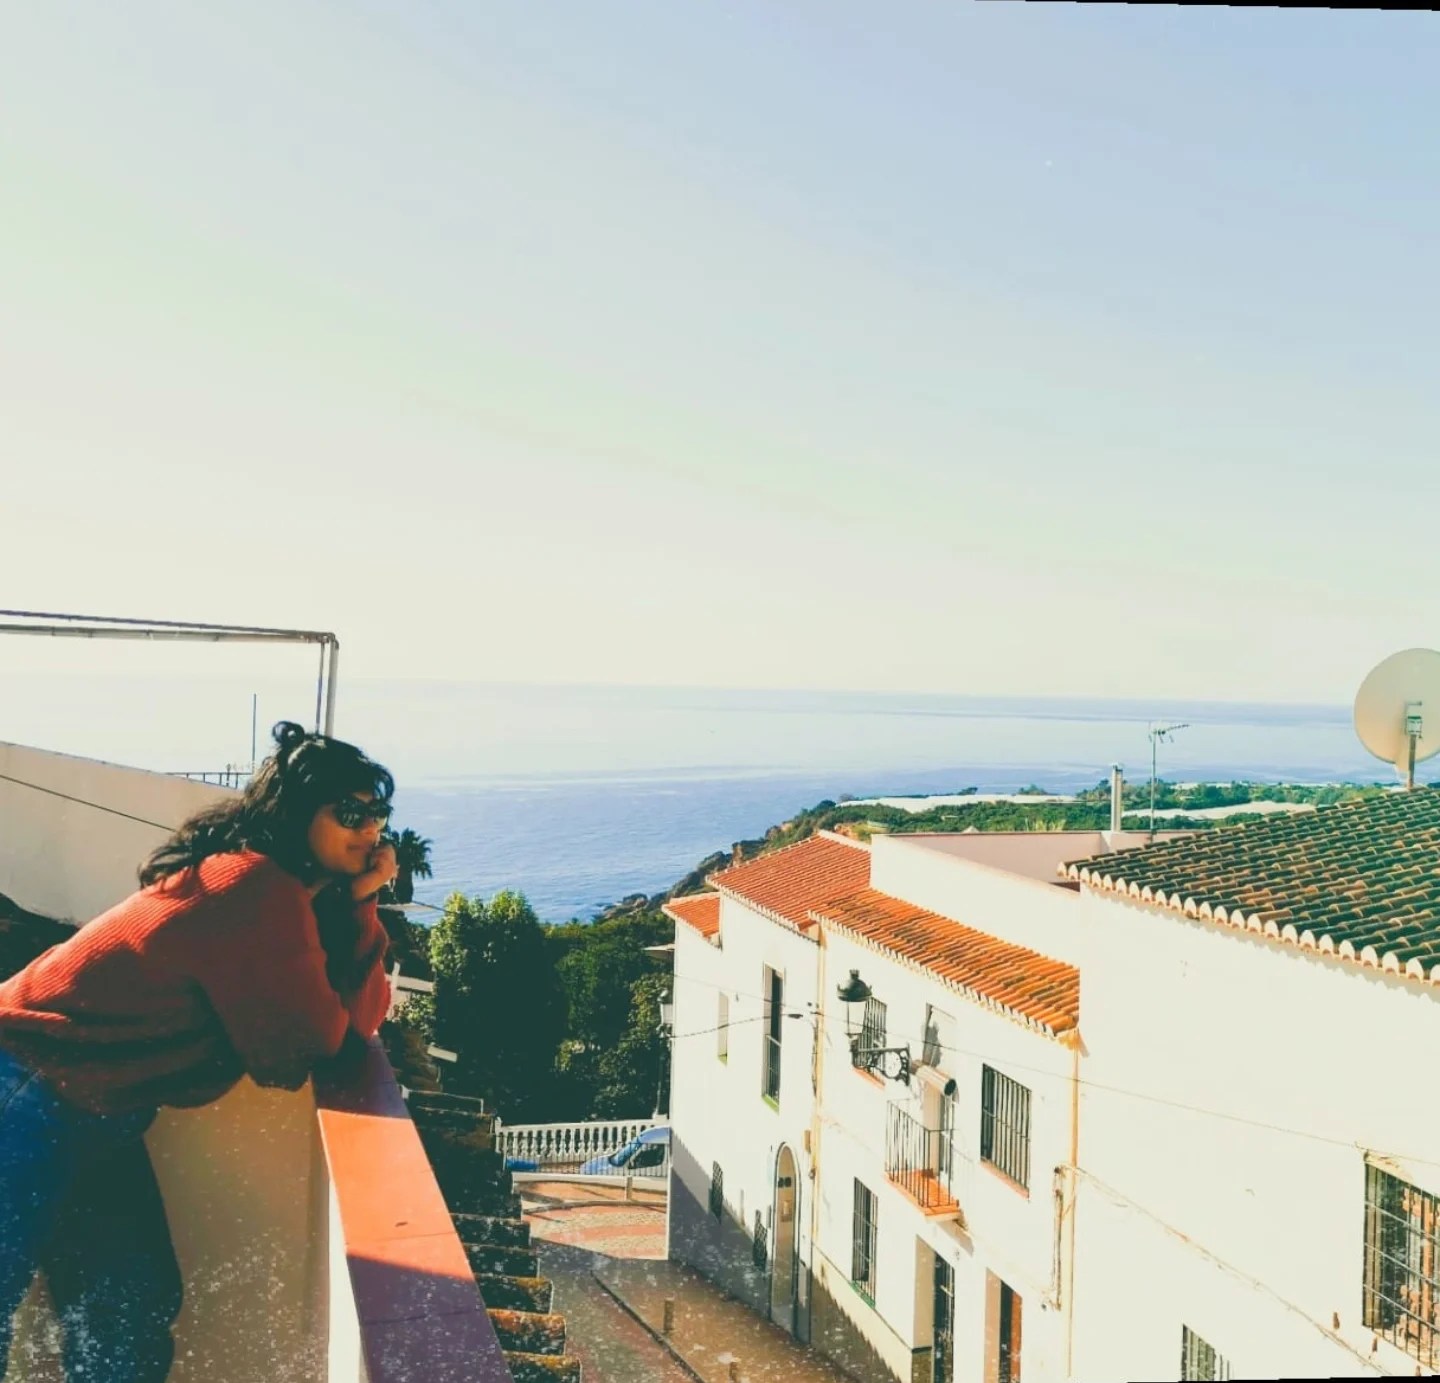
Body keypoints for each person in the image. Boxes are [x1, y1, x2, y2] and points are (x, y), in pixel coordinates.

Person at [0, 720, 400, 1382]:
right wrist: (361, 908)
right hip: (26, 1088)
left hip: (91, 1109)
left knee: (126, 1312)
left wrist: (358, 903)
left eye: (377, 813)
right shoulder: (255, 888)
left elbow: (349, 1027)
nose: (370, 830)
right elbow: (316, 1047)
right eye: (349, 813)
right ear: (297, 811)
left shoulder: (278, 892)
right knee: (113, 1314)